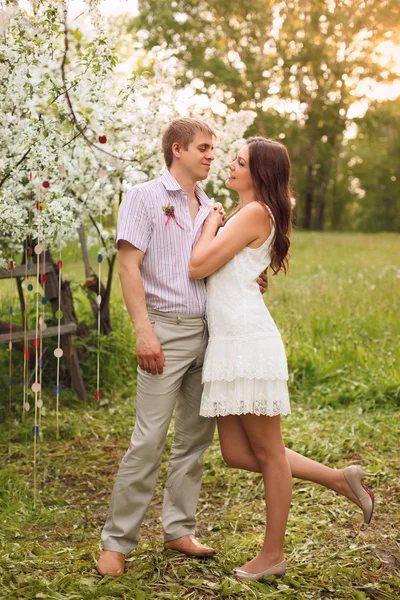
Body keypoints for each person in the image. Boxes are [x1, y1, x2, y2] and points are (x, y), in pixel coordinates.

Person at [97, 119, 374, 578]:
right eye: (205, 149)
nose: (216, 157)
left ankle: (183, 530)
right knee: (162, 443)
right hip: (172, 331)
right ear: (177, 148)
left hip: (223, 337)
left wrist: (236, 257)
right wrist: (144, 330)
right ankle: (117, 541)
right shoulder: (146, 197)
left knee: (197, 443)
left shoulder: (218, 207)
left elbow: (215, 262)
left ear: (257, 173)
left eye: (231, 157)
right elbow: (132, 267)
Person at [189, 136, 375, 581]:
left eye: (239, 162)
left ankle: (272, 555)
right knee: (235, 453)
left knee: (270, 453)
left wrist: (208, 222)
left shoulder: (252, 212)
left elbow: (198, 266)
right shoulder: (250, 214)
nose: (229, 167)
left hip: (248, 344)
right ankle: (336, 478)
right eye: (232, 160)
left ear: (260, 175)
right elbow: (232, 272)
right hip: (230, 342)